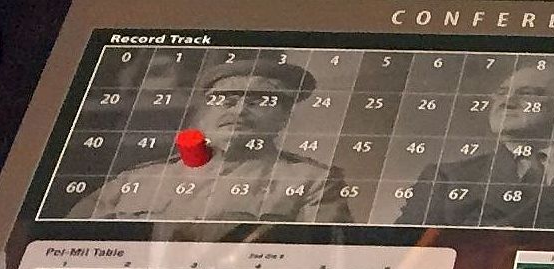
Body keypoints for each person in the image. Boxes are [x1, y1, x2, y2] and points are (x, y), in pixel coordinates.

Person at [76, 60, 353, 224]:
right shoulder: (135, 179)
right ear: (204, 113)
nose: (240, 111)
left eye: (259, 101)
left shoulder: (313, 181)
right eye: (227, 100)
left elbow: (321, 257)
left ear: (284, 116)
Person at [404, 62, 554, 228]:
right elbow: (410, 250)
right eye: (501, 92)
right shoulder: (446, 178)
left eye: (529, 93)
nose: (506, 101)